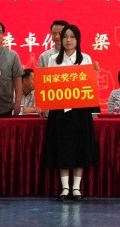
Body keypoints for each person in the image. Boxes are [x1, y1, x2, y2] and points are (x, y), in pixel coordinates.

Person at [42, 24, 99, 201]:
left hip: (80, 111)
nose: (68, 40)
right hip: (60, 111)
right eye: (65, 36)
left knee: (80, 147)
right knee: (62, 147)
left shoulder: (86, 58)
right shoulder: (53, 59)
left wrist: (95, 73)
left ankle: (76, 188)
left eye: (72, 37)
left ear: (78, 40)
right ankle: (65, 187)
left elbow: (90, 85)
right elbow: (48, 85)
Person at [0, 20, 24, 117]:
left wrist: (18, 102)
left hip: (5, 106)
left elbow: (17, 79)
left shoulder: (12, 55)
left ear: (3, 35)